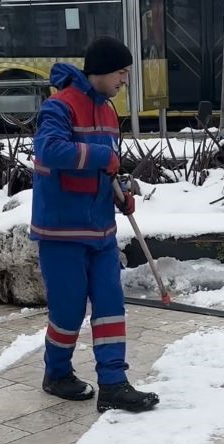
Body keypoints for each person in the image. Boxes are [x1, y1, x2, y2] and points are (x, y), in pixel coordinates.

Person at [30, 36, 160, 414]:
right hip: (61, 232)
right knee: (68, 313)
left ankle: (114, 384)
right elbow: (49, 150)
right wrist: (103, 157)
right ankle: (56, 373)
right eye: (121, 72)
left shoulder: (107, 113)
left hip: (101, 231)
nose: (124, 80)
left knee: (110, 305)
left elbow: (107, 167)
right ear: (101, 70)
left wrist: (119, 191)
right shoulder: (59, 107)